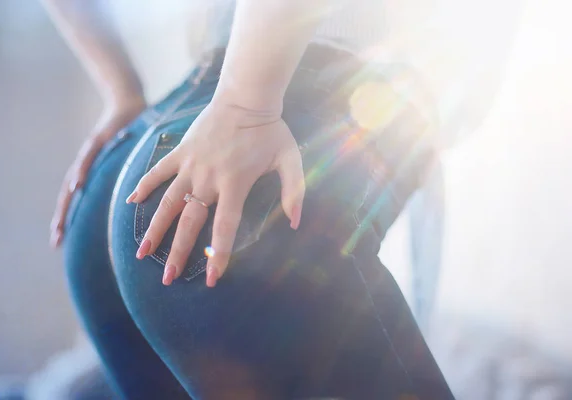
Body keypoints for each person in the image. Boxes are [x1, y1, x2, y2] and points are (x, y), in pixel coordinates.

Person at [43, 0, 458, 398]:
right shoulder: (251, 107)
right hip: (323, 95)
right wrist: (246, 105)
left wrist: (121, 92)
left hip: (132, 157)